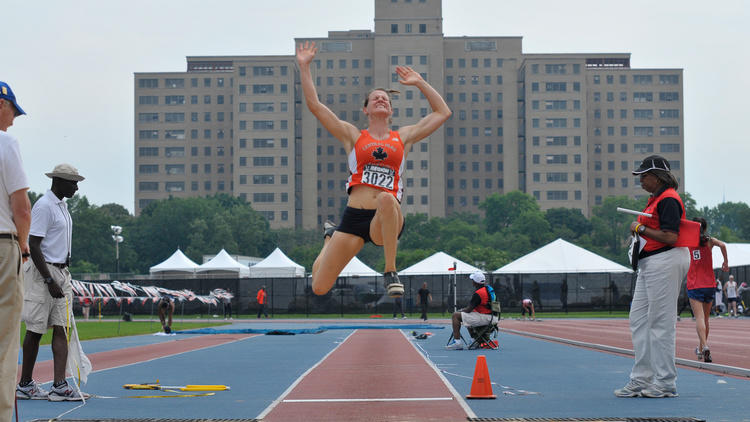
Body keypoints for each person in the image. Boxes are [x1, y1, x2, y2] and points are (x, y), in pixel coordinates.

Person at [296, 41, 452, 299]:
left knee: (386, 197)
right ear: (366, 110)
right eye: (375, 98)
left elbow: (443, 112)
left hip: (385, 220)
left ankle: (390, 270)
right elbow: (315, 105)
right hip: (353, 217)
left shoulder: (403, 137)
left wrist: (420, 82)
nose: (381, 99)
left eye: (385, 99)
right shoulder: (353, 136)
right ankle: (329, 239)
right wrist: (304, 67)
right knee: (319, 287)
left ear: (390, 110)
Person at [615, 155, 690, 399]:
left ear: (658, 177)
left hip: (665, 259)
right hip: (653, 262)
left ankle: (665, 382)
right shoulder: (656, 199)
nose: (641, 180)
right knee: (639, 320)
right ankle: (642, 379)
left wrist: (639, 228)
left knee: (660, 323)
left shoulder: (668, 199)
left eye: (644, 176)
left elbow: (671, 236)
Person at [17, 163, 88, 401]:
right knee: (36, 330)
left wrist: (59, 276)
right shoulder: (45, 206)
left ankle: (59, 384)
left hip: (62, 271)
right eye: (73, 182)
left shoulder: (62, 207)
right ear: (59, 181)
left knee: (62, 327)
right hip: (43, 272)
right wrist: (48, 279)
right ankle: (25, 384)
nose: (76, 187)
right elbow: (33, 244)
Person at [0, 81, 31, 418]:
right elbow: (21, 208)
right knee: (5, 343)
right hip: (2, 247)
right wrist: (23, 246)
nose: (13, 120)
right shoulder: (5, 143)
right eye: (11, 111)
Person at [686, 217, 728, 363]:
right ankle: (701, 348)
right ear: (704, 228)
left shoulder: (688, 241)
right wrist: (725, 262)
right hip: (709, 284)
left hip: (694, 284)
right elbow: (722, 245)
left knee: (699, 318)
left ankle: (704, 346)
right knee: (705, 319)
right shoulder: (709, 240)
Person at [446, 272, 497, 350]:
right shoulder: (489, 289)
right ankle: (474, 341)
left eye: (472, 280)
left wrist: (460, 310)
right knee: (467, 316)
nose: (472, 281)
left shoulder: (478, 293)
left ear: (475, 282)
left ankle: (457, 343)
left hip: (486, 318)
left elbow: (468, 309)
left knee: (456, 315)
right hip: (493, 317)